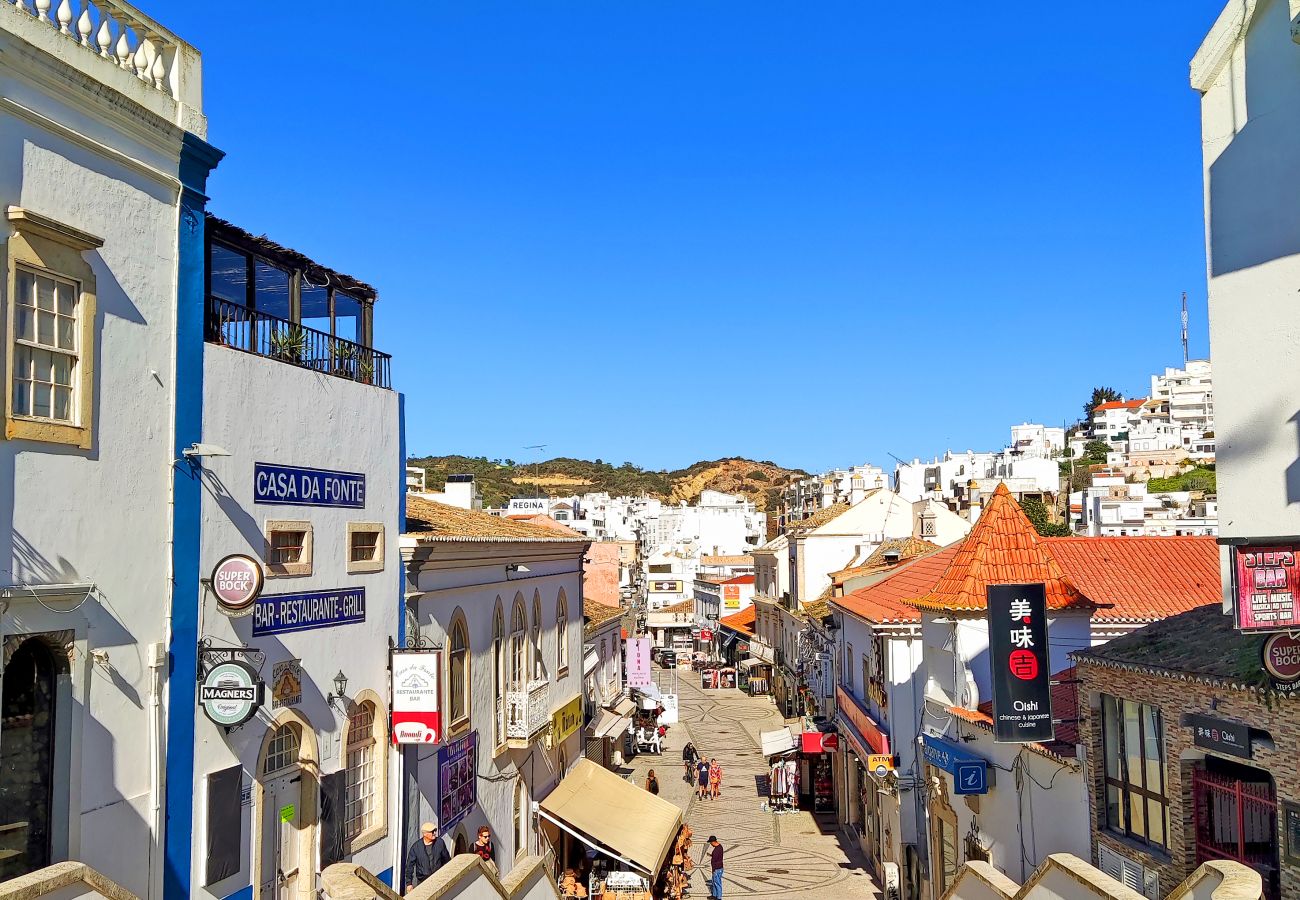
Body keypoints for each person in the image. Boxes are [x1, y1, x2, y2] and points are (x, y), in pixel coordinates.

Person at [405, 820, 450, 892]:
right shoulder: (416, 848)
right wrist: (409, 883)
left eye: (435, 831)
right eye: (432, 832)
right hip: (423, 881)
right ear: (425, 834)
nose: (434, 833)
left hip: (438, 879)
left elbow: (447, 860)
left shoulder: (440, 843)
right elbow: (409, 866)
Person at [701, 835, 724, 899]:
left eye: (711, 843)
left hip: (717, 869)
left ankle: (719, 897)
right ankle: (714, 895)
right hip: (718, 868)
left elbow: (715, 860)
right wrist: (711, 855)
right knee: (714, 882)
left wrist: (713, 870)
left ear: (713, 842)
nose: (711, 844)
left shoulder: (717, 849)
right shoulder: (720, 847)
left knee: (717, 883)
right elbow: (716, 857)